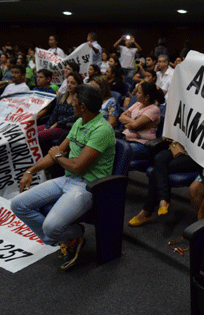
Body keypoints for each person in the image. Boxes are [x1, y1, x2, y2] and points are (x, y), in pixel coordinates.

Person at [11, 84, 116, 271]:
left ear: (83, 106)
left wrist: (59, 156)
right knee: (18, 204)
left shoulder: (102, 129)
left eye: (74, 102)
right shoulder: (79, 122)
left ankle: (73, 234)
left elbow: (78, 165)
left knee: (50, 227)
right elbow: (56, 154)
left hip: (87, 186)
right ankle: (69, 238)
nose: (71, 105)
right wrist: (30, 171)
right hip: (68, 179)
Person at [37, 72, 83, 153]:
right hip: (55, 124)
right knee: (33, 131)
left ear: (78, 85)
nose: (69, 85)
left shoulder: (79, 99)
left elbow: (76, 116)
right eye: (68, 82)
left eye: (72, 83)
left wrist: (57, 123)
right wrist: (47, 126)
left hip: (66, 128)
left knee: (39, 136)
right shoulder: (62, 96)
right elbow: (54, 113)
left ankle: (46, 155)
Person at [119, 82, 164, 159]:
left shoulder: (154, 109)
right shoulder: (137, 104)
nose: (136, 94)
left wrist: (128, 122)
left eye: (139, 92)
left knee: (120, 151)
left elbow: (135, 126)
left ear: (147, 97)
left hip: (141, 144)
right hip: (126, 139)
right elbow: (121, 117)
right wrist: (133, 122)